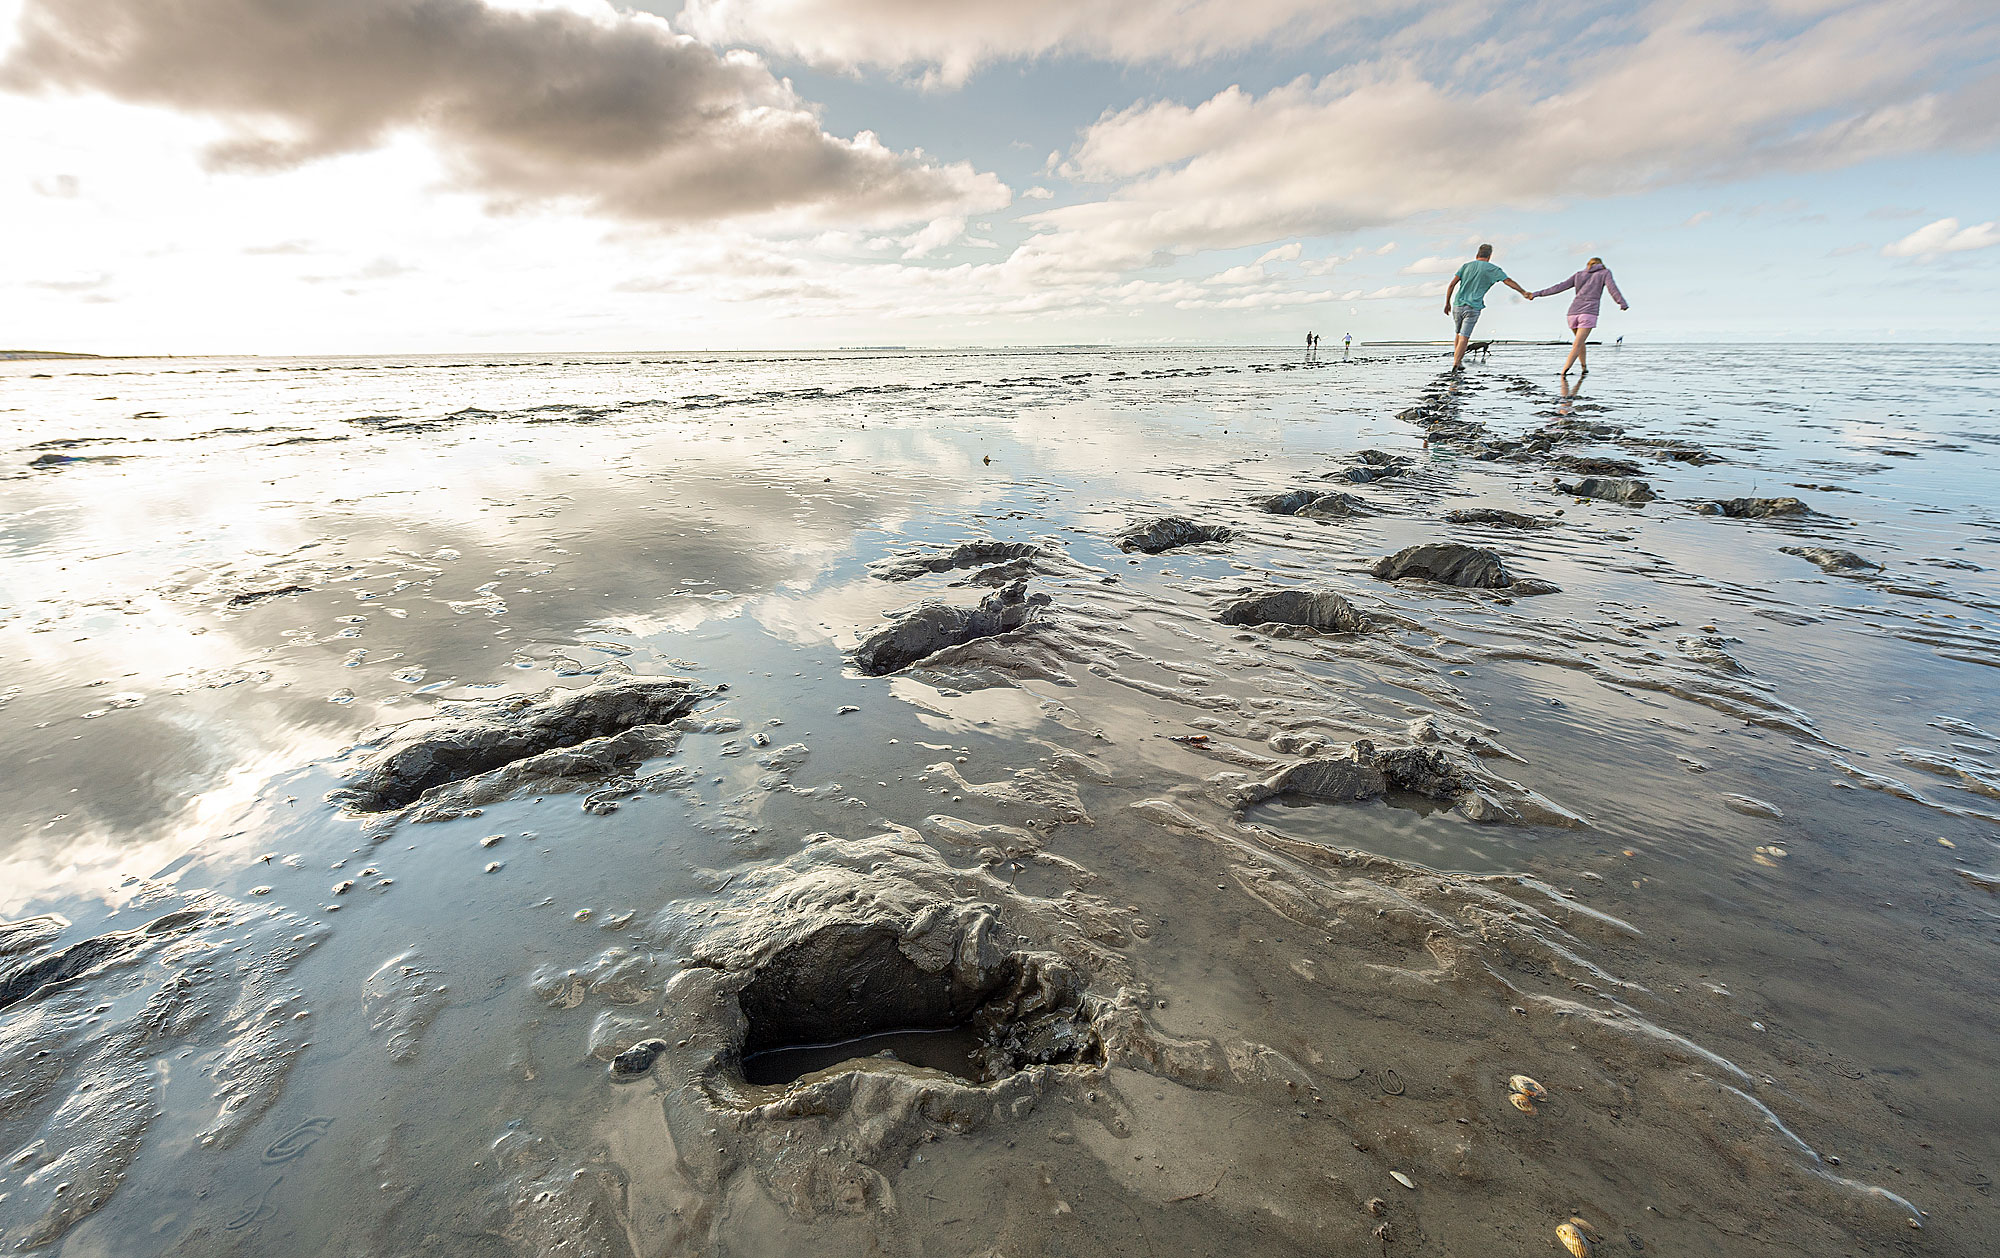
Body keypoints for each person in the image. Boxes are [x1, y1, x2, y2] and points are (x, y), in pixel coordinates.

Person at [1531, 256, 1628, 376]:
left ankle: (1584, 368)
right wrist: (1622, 303)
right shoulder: (1605, 272)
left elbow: (1559, 287)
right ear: (1600, 264)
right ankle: (1564, 372)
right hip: (1588, 313)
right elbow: (1613, 289)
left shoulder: (1579, 274)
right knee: (1577, 344)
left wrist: (1536, 294)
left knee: (1580, 342)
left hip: (1572, 313)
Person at [1443, 244, 1533, 370]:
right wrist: (1523, 292)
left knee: (1458, 334)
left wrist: (1447, 303)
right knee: (1464, 337)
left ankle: (1458, 361)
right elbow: (1508, 281)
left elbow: (1451, 285)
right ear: (1489, 256)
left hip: (1457, 305)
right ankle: (1456, 364)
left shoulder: (1466, 266)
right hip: (1473, 307)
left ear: (1477, 254)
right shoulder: (1493, 269)